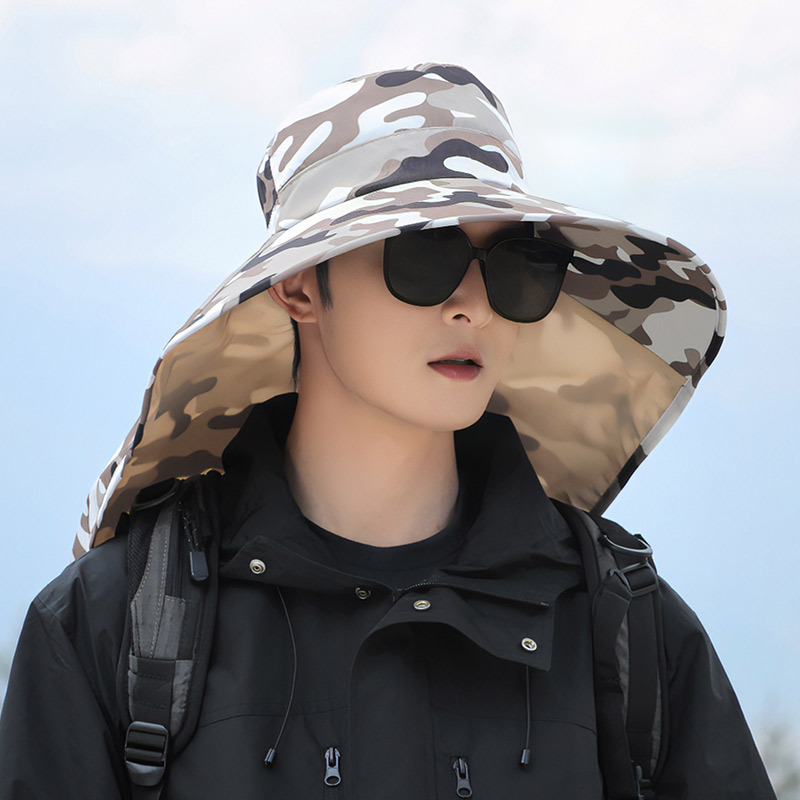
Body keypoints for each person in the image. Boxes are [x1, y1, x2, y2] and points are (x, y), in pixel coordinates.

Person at [0, 63, 775, 799]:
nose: (474, 307)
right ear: (299, 285)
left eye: (516, 264)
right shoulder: (114, 626)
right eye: (425, 254)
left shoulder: (624, 626)